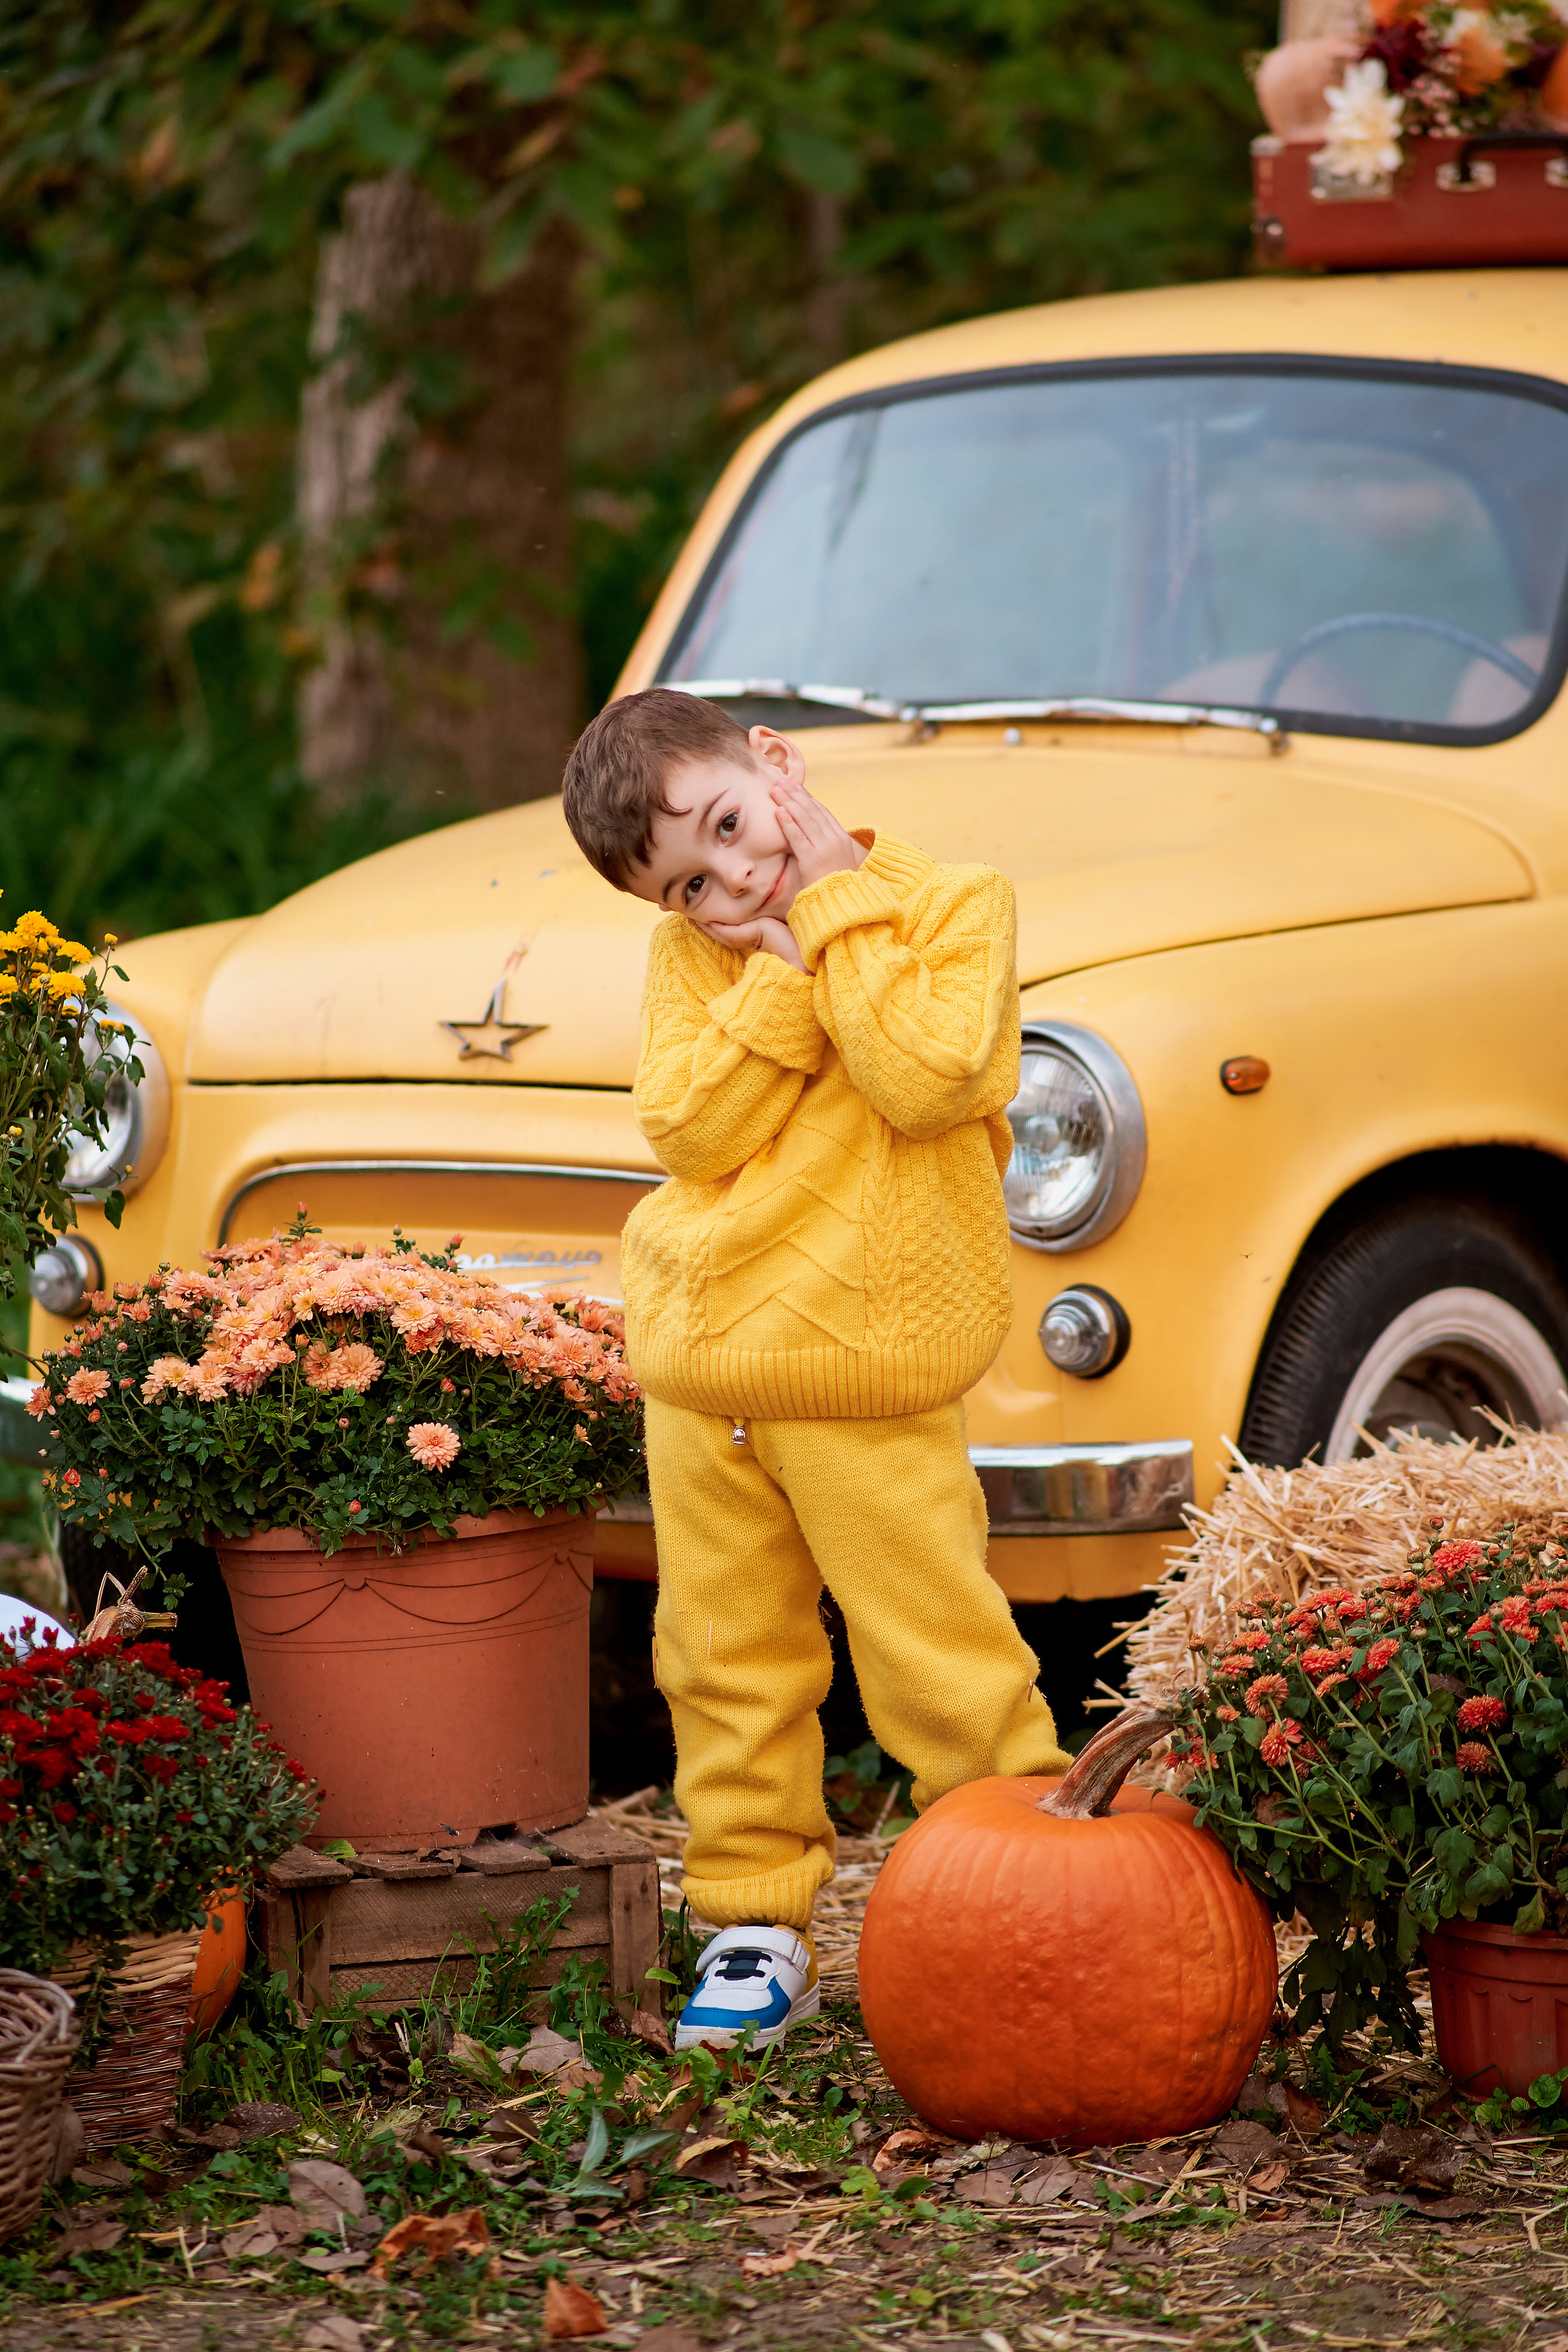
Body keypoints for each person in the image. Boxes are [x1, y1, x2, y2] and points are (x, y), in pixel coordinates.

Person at [561, 688, 1068, 2047]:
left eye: (731, 825)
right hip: (703, 1364)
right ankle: (751, 1920)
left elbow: (928, 1077)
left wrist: (835, 914)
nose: (732, 876)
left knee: (936, 1654)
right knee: (721, 1658)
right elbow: (686, 1129)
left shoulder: (954, 904)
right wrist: (775, 975)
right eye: (686, 883)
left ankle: (1029, 1890)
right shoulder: (703, 956)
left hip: (863, 1367)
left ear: (773, 763)